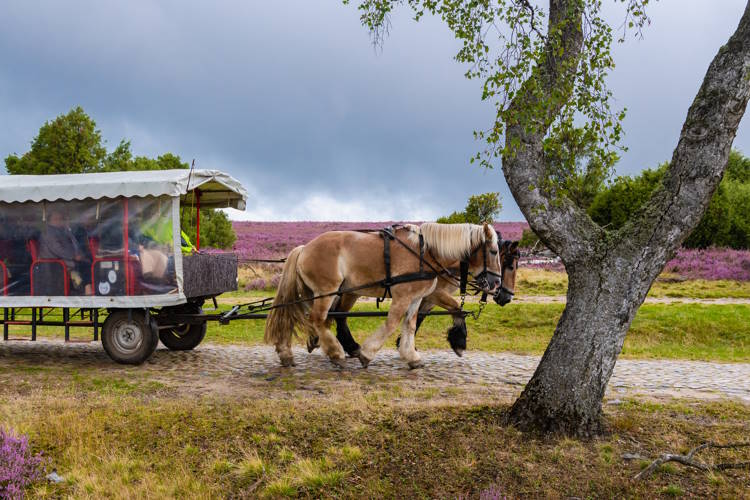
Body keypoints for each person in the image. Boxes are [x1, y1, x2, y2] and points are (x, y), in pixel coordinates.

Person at [39, 208, 92, 295]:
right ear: (49, 221)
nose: (59, 221)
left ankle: (87, 287)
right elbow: (58, 249)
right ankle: (87, 289)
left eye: (61, 219)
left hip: (63, 260)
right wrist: (73, 256)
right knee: (84, 265)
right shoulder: (48, 232)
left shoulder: (62, 231)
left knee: (87, 261)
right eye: (56, 219)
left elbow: (74, 244)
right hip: (53, 263)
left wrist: (67, 228)